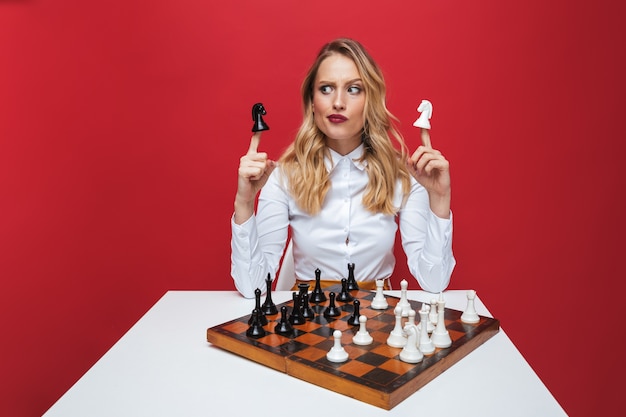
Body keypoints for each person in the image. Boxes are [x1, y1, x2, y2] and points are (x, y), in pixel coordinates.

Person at [231, 38, 455, 299]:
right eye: (326, 88)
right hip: (307, 322)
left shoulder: (404, 176)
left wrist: (439, 199)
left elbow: (435, 281)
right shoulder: (282, 177)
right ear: (312, 102)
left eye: (353, 89)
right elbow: (253, 288)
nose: (338, 102)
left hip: (376, 320)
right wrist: (244, 203)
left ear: (370, 100)